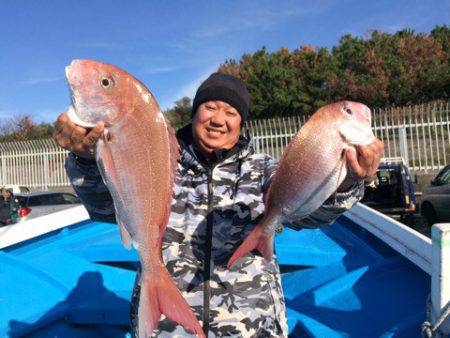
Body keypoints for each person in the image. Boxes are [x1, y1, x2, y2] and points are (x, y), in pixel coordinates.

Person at [53, 72, 384, 337]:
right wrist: (84, 159)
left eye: (231, 111)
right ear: (195, 112)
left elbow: (311, 215)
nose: (218, 119)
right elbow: (102, 208)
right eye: (210, 107)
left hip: (254, 327)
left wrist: (352, 181)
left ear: (242, 122)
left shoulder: (266, 170)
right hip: (169, 330)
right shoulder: (158, 162)